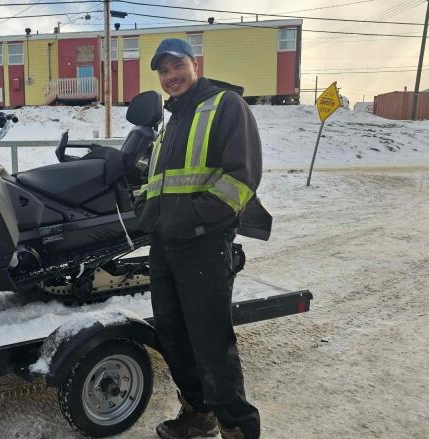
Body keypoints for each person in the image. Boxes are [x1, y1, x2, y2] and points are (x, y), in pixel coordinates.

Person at [134, 38, 263, 439]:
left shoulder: (225, 105)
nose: (170, 77)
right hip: (165, 246)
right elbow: (158, 181)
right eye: (163, 71)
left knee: (210, 342)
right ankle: (198, 414)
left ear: (195, 64)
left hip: (204, 244)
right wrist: (146, 212)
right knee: (173, 336)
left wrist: (191, 221)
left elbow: (241, 178)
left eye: (177, 67)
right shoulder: (170, 122)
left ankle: (237, 427)